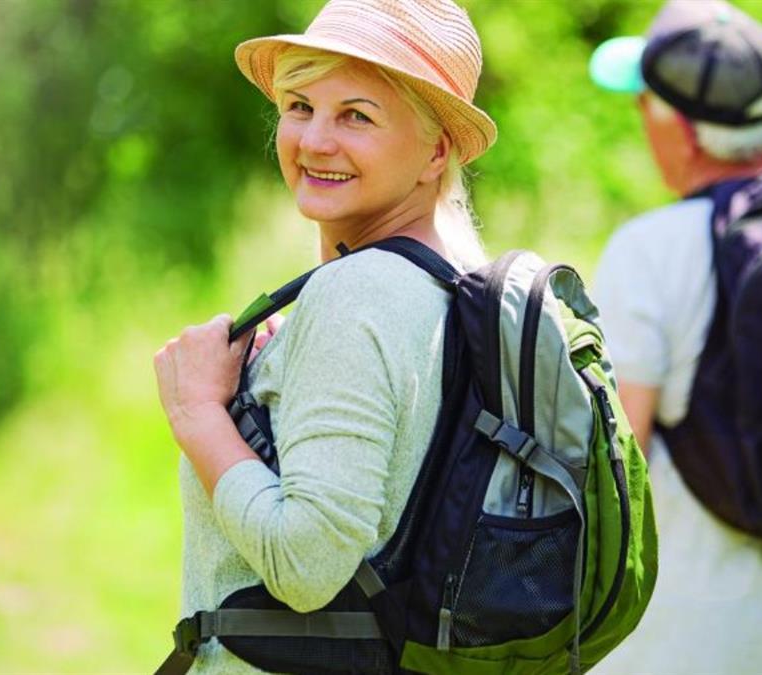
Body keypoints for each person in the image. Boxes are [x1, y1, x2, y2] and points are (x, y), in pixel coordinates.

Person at [151, 1, 496, 672]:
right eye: (301, 105)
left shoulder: (358, 295)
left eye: (357, 116)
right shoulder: (457, 280)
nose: (313, 141)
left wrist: (197, 412)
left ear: (437, 149)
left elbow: (305, 562)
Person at [586, 2, 762, 674]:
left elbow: (616, 470)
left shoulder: (649, 249)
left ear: (679, 127)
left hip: (680, 640)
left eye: (643, 105)